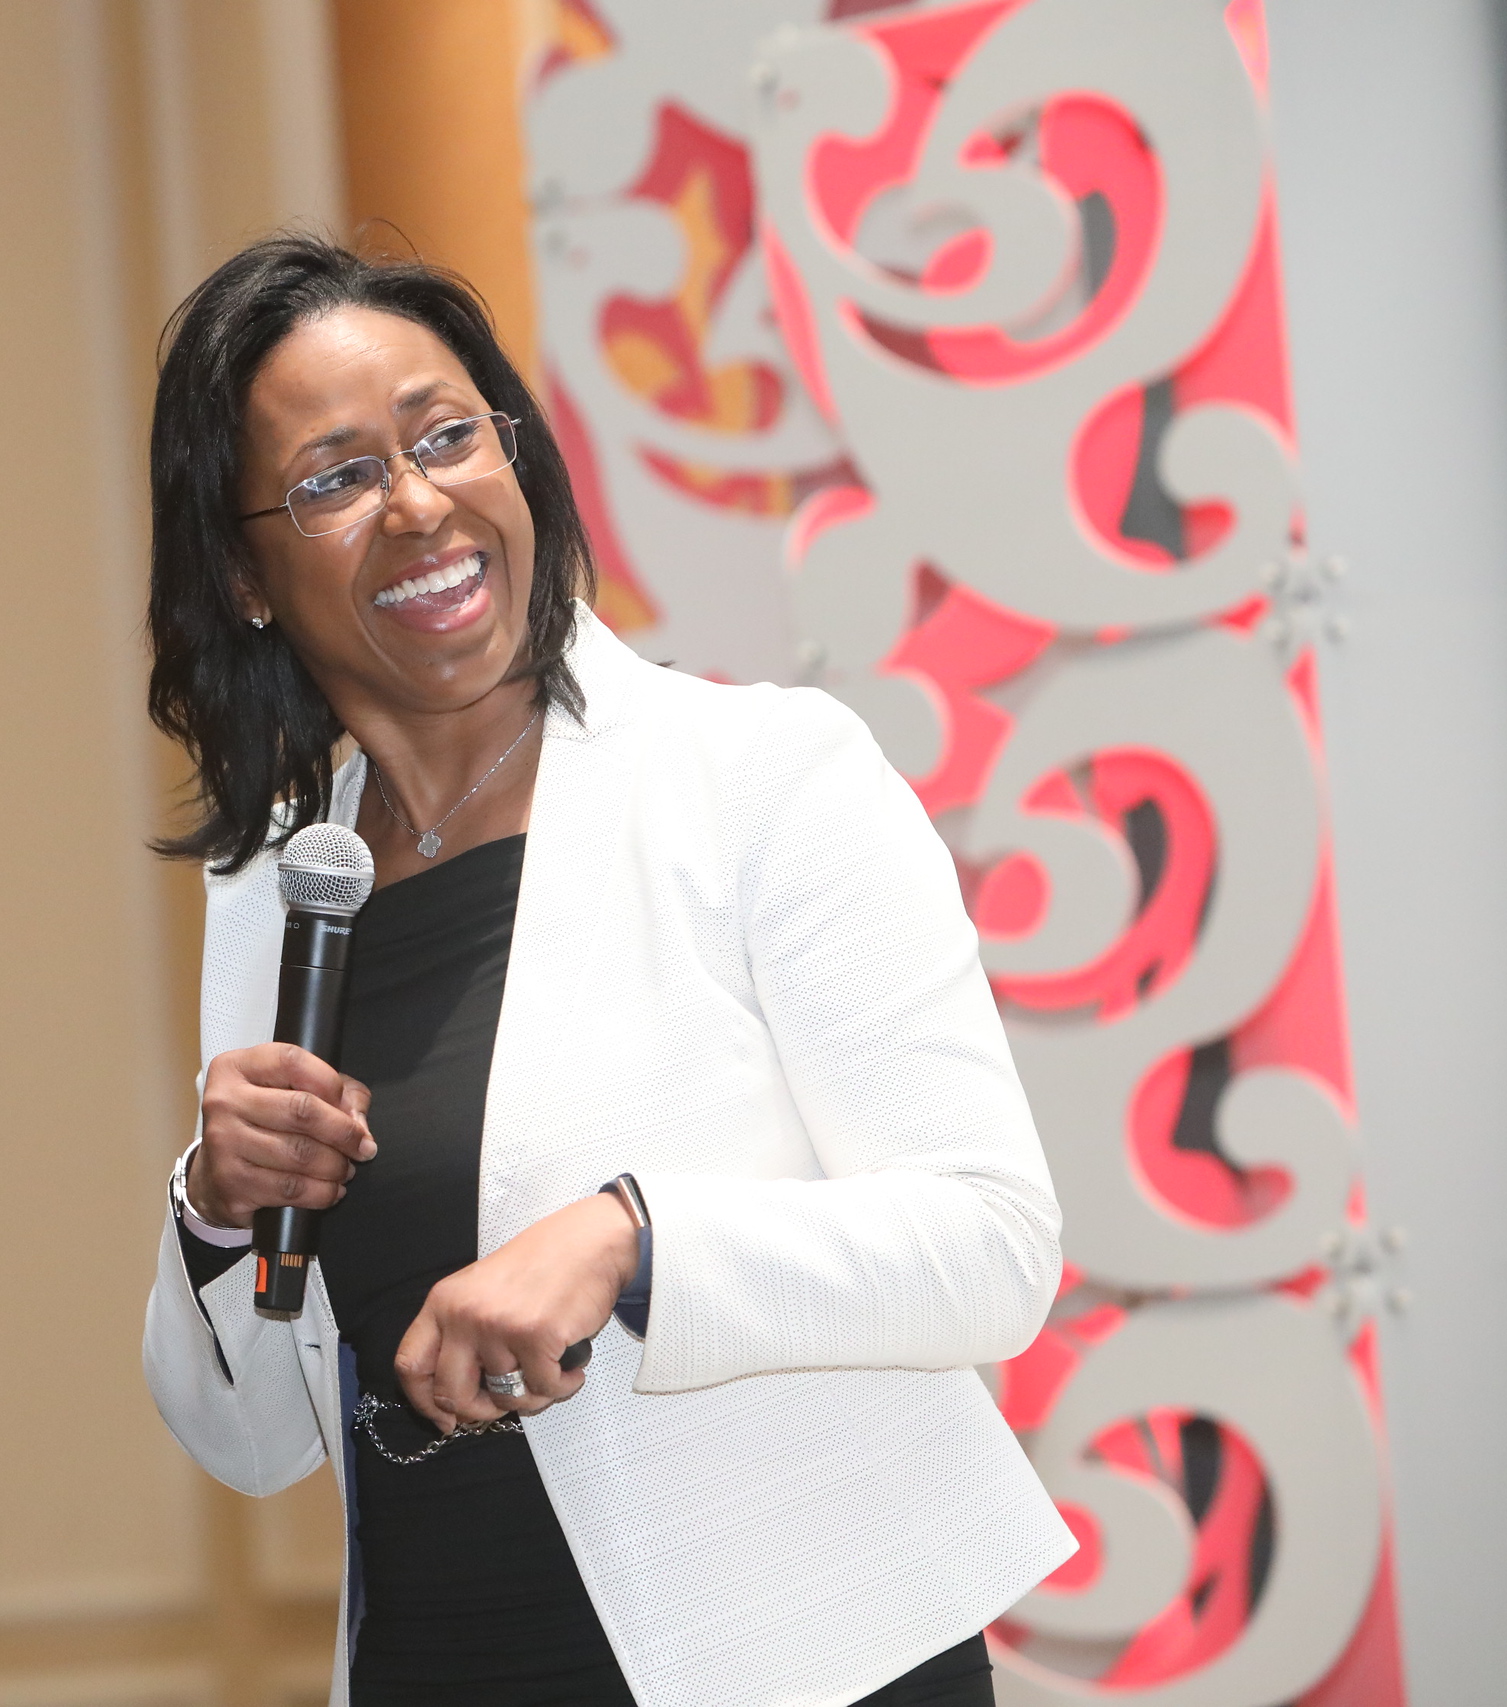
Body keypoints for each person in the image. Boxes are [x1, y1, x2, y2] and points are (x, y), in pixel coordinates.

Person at [140, 233, 1074, 1707]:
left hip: (797, 1668)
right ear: (245, 574)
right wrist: (214, 1204)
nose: (418, 504)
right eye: (337, 479)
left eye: (446, 437)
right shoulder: (280, 887)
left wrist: (630, 1240)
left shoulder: (758, 776)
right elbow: (252, 1441)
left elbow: (993, 1248)